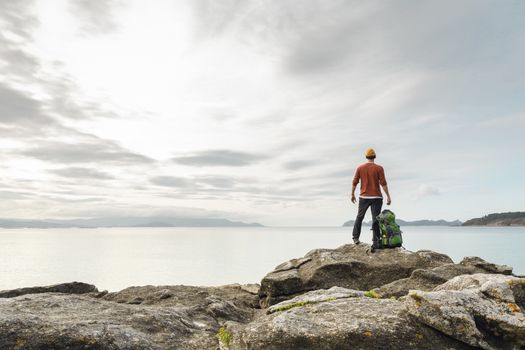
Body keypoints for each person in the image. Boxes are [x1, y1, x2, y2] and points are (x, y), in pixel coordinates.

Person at [350, 148, 391, 251]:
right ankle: (376, 242)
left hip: (363, 197)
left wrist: (352, 194)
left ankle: (355, 238)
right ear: (374, 157)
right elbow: (383, 183)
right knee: (375, 220)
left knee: (360, 217)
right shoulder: (379, 168)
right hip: (377, 197)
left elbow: (354, 182)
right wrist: (388, 196)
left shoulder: (360, 168)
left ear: (366, 157)